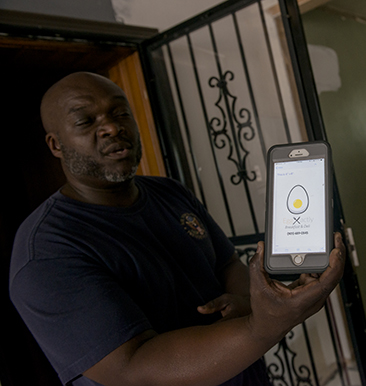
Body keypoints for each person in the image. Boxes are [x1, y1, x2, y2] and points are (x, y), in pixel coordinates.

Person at [9, 71, 346, 386]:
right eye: (86, 120)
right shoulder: (46, 251)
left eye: (121, 113)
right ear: (55, 145)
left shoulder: (169, 191)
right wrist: (263, 325)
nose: (111, 127)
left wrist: (250, 301)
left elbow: (226, 262)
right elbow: (133, 368)